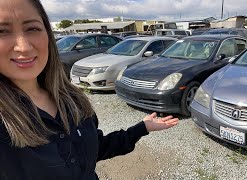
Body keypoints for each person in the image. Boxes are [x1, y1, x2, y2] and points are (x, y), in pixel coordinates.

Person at [0, 0, 179, 180]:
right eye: (2, 31)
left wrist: (141, 128)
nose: (23, 46)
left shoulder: (72, 99)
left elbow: (94, 149)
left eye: (32, 28)